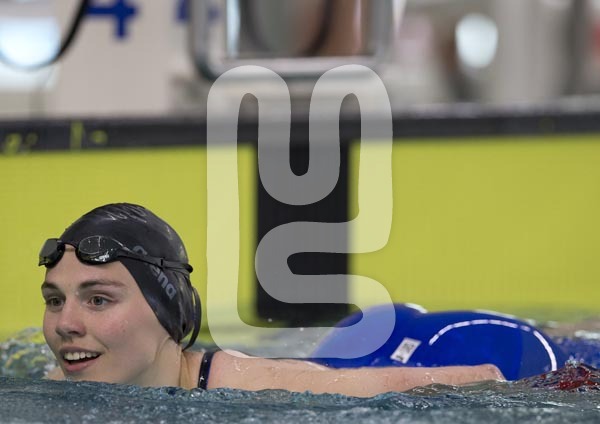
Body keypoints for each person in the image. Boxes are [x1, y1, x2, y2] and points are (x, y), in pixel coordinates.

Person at [40, 203, 503, 397]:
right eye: (55, 300)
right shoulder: (59, 382)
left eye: (98, 300)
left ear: (167, 312)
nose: (65, 324)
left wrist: (539, 387)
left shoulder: (250, 385)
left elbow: (481, 379)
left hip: (420, 348)